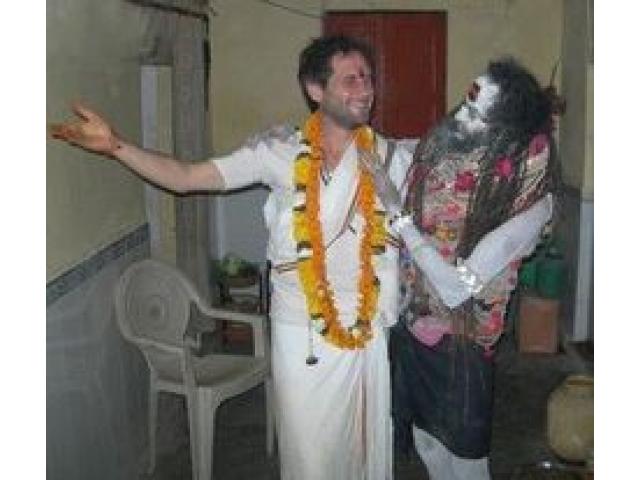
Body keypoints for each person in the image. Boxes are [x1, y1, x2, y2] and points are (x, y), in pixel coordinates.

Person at [50, 35, 414, 480]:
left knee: (359, 449)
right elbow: (187, 177)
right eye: (351, 79)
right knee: (309, 457)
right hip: (301, 332)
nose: (365, 89)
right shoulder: (278, 152)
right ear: (315, 89)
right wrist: (117, 146)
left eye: (368, 78)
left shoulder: (389, 158)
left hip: (365, 329)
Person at [360, 58, 560, 480]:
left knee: (465, 463)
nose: (461, 117)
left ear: (506, 132)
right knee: (427, 444)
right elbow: (400, 146)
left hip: (462, 351)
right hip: (415, 334)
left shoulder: (530, 206)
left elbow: (456, 288)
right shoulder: (456, 160)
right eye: (467, 100)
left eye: (476, 113)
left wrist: (398, 213)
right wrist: (305, 135)